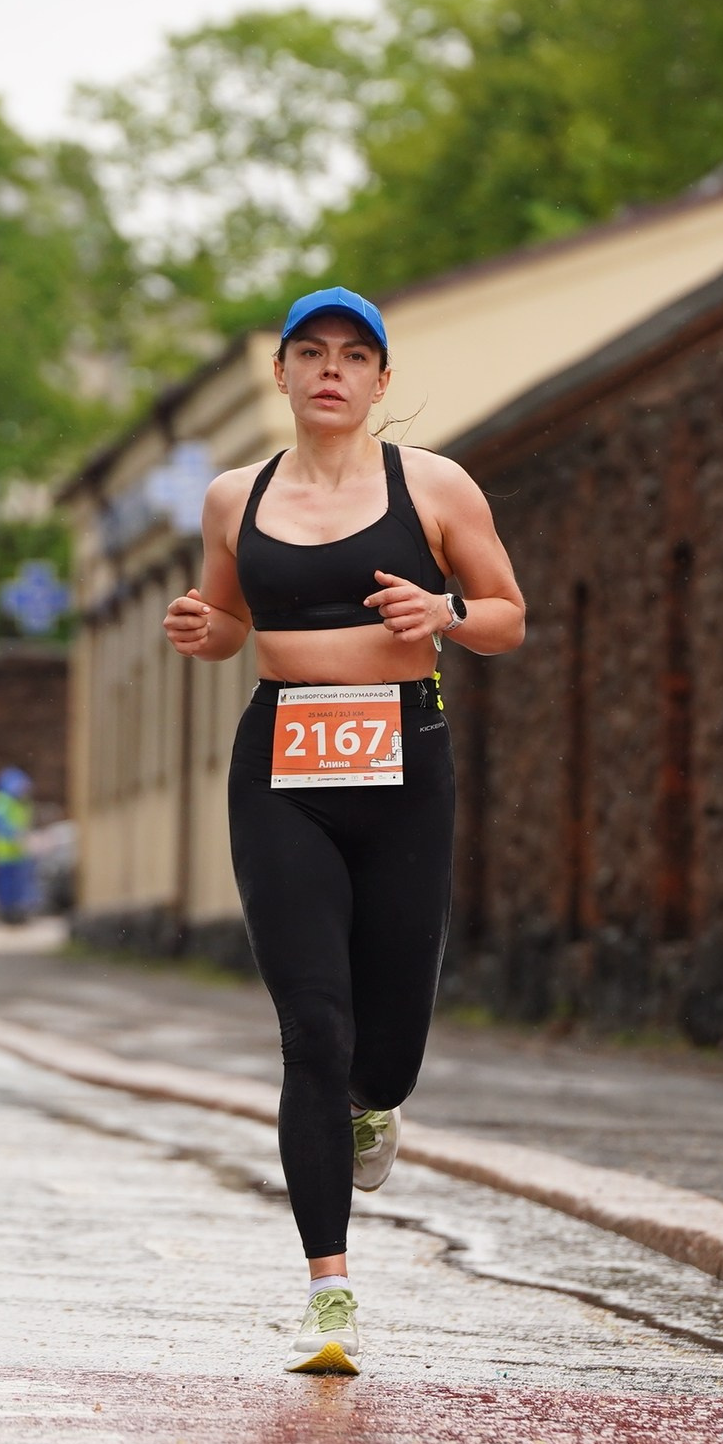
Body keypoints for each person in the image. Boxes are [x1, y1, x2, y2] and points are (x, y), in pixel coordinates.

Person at [164, 286, 525, 1375]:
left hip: (404, 760)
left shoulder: (435, 486)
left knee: (388, 1049)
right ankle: (329, 1295)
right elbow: (230, 619)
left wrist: (445, 614)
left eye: (353, 355)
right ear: (279, 374)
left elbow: (508, 614)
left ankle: (379, 1104)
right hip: (282, 764)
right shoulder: (235, 496)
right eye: (309, 352)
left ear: (379, 380)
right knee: (310, 1028)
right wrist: (205, 627)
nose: (330, 370)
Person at [0, 768, 36, 924]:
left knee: (19, 886)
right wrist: (16, 835)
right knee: (4, 886)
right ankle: (5, 914)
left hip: (19, 852)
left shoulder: (22, 803)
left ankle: (17, 912)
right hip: (1, 853)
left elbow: (25, 825)